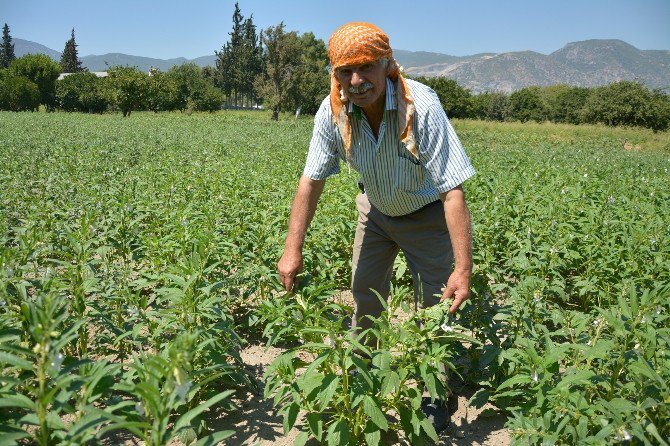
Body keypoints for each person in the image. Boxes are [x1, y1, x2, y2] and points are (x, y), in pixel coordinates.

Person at [277, 21, 475, 430]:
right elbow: (311, 180)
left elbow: (452, 191)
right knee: (364, 293)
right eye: (344, 70)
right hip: (376, 208)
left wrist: (463, 267)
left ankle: (437, 390)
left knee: (439, 306)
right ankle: (361, 373)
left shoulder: (421, 105)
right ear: (334, 74)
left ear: (386, 65)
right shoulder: (332, 111)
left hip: (425, 214)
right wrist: (291, 248)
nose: (356, 80)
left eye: (365, 67)